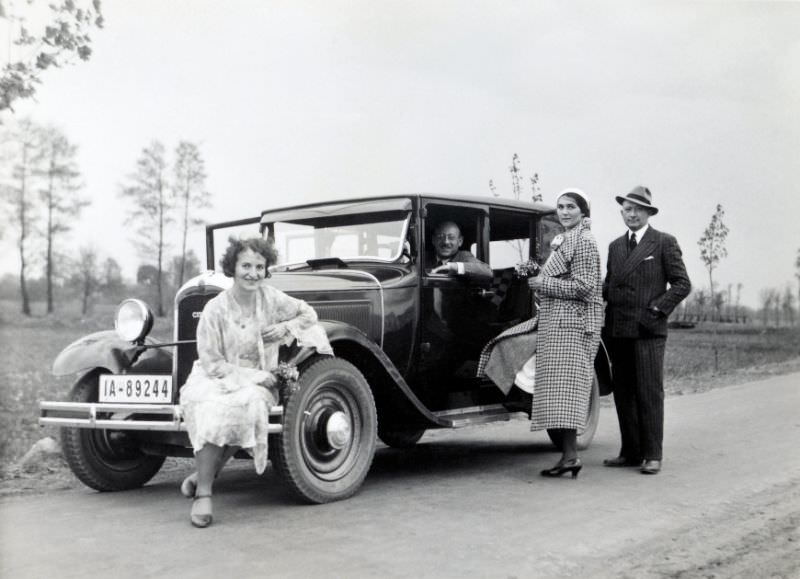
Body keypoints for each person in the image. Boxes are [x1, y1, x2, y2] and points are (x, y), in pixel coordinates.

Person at [179, 236, 333, 527]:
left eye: (259, 267)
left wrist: (285, 327)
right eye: (246, 265)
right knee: (212, 407)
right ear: (233, 268)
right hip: (217, 374)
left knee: (248, 404)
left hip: (259, 379)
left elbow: (309, 314)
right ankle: (204, 492)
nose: (253, 273)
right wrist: (253, 376)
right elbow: (211, 362)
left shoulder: (271, 298)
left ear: (266, 270)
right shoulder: (215, 308)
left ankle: (203, 476)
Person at [602, 186, 691, 475]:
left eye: (638, 209)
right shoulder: (615, 246)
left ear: (649, 213)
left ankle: (653, 454)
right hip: (618, 330)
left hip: (648, 331)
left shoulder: (663, 242)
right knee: (623, 393)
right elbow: (610, 285)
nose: (632, 214)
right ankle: (630, 452)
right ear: (622, 213)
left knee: (649, 392)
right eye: (628, 209)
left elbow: (682, 283)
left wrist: (656, 310)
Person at [528, 188, 604, 479]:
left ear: (584, 211)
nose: (565, 212)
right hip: (561, 324)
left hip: (574, 325)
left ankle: (570, 456)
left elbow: (585, 286)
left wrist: (544, 285)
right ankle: (569, 456)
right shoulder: (567, 239)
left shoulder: (583, 241)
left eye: (571, 206)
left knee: (568, 390)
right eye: (560, 207)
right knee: (562, 391)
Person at [427, 220, 492, 283]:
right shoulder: (424, 258)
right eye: (440, 237)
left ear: (460, 241)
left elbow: (487, 272)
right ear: (433, 240)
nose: (445, 242)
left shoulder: (464, 256)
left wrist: (453, 266)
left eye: (451, 238)